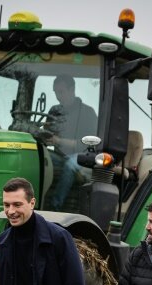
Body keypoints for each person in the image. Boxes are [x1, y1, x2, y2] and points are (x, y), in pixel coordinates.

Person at [43, 75, 98, 210]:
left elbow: (89, 144)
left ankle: (54, 206)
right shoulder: (54, 111)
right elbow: (47, 133)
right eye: (56, 92)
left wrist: (59, 141)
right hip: (59, 156)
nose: (58, 96)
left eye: (61, 92)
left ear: (72, 89)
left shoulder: (88, 113)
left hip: (83, 157)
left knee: (70, 165)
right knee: (37, 156)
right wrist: (45, 137)